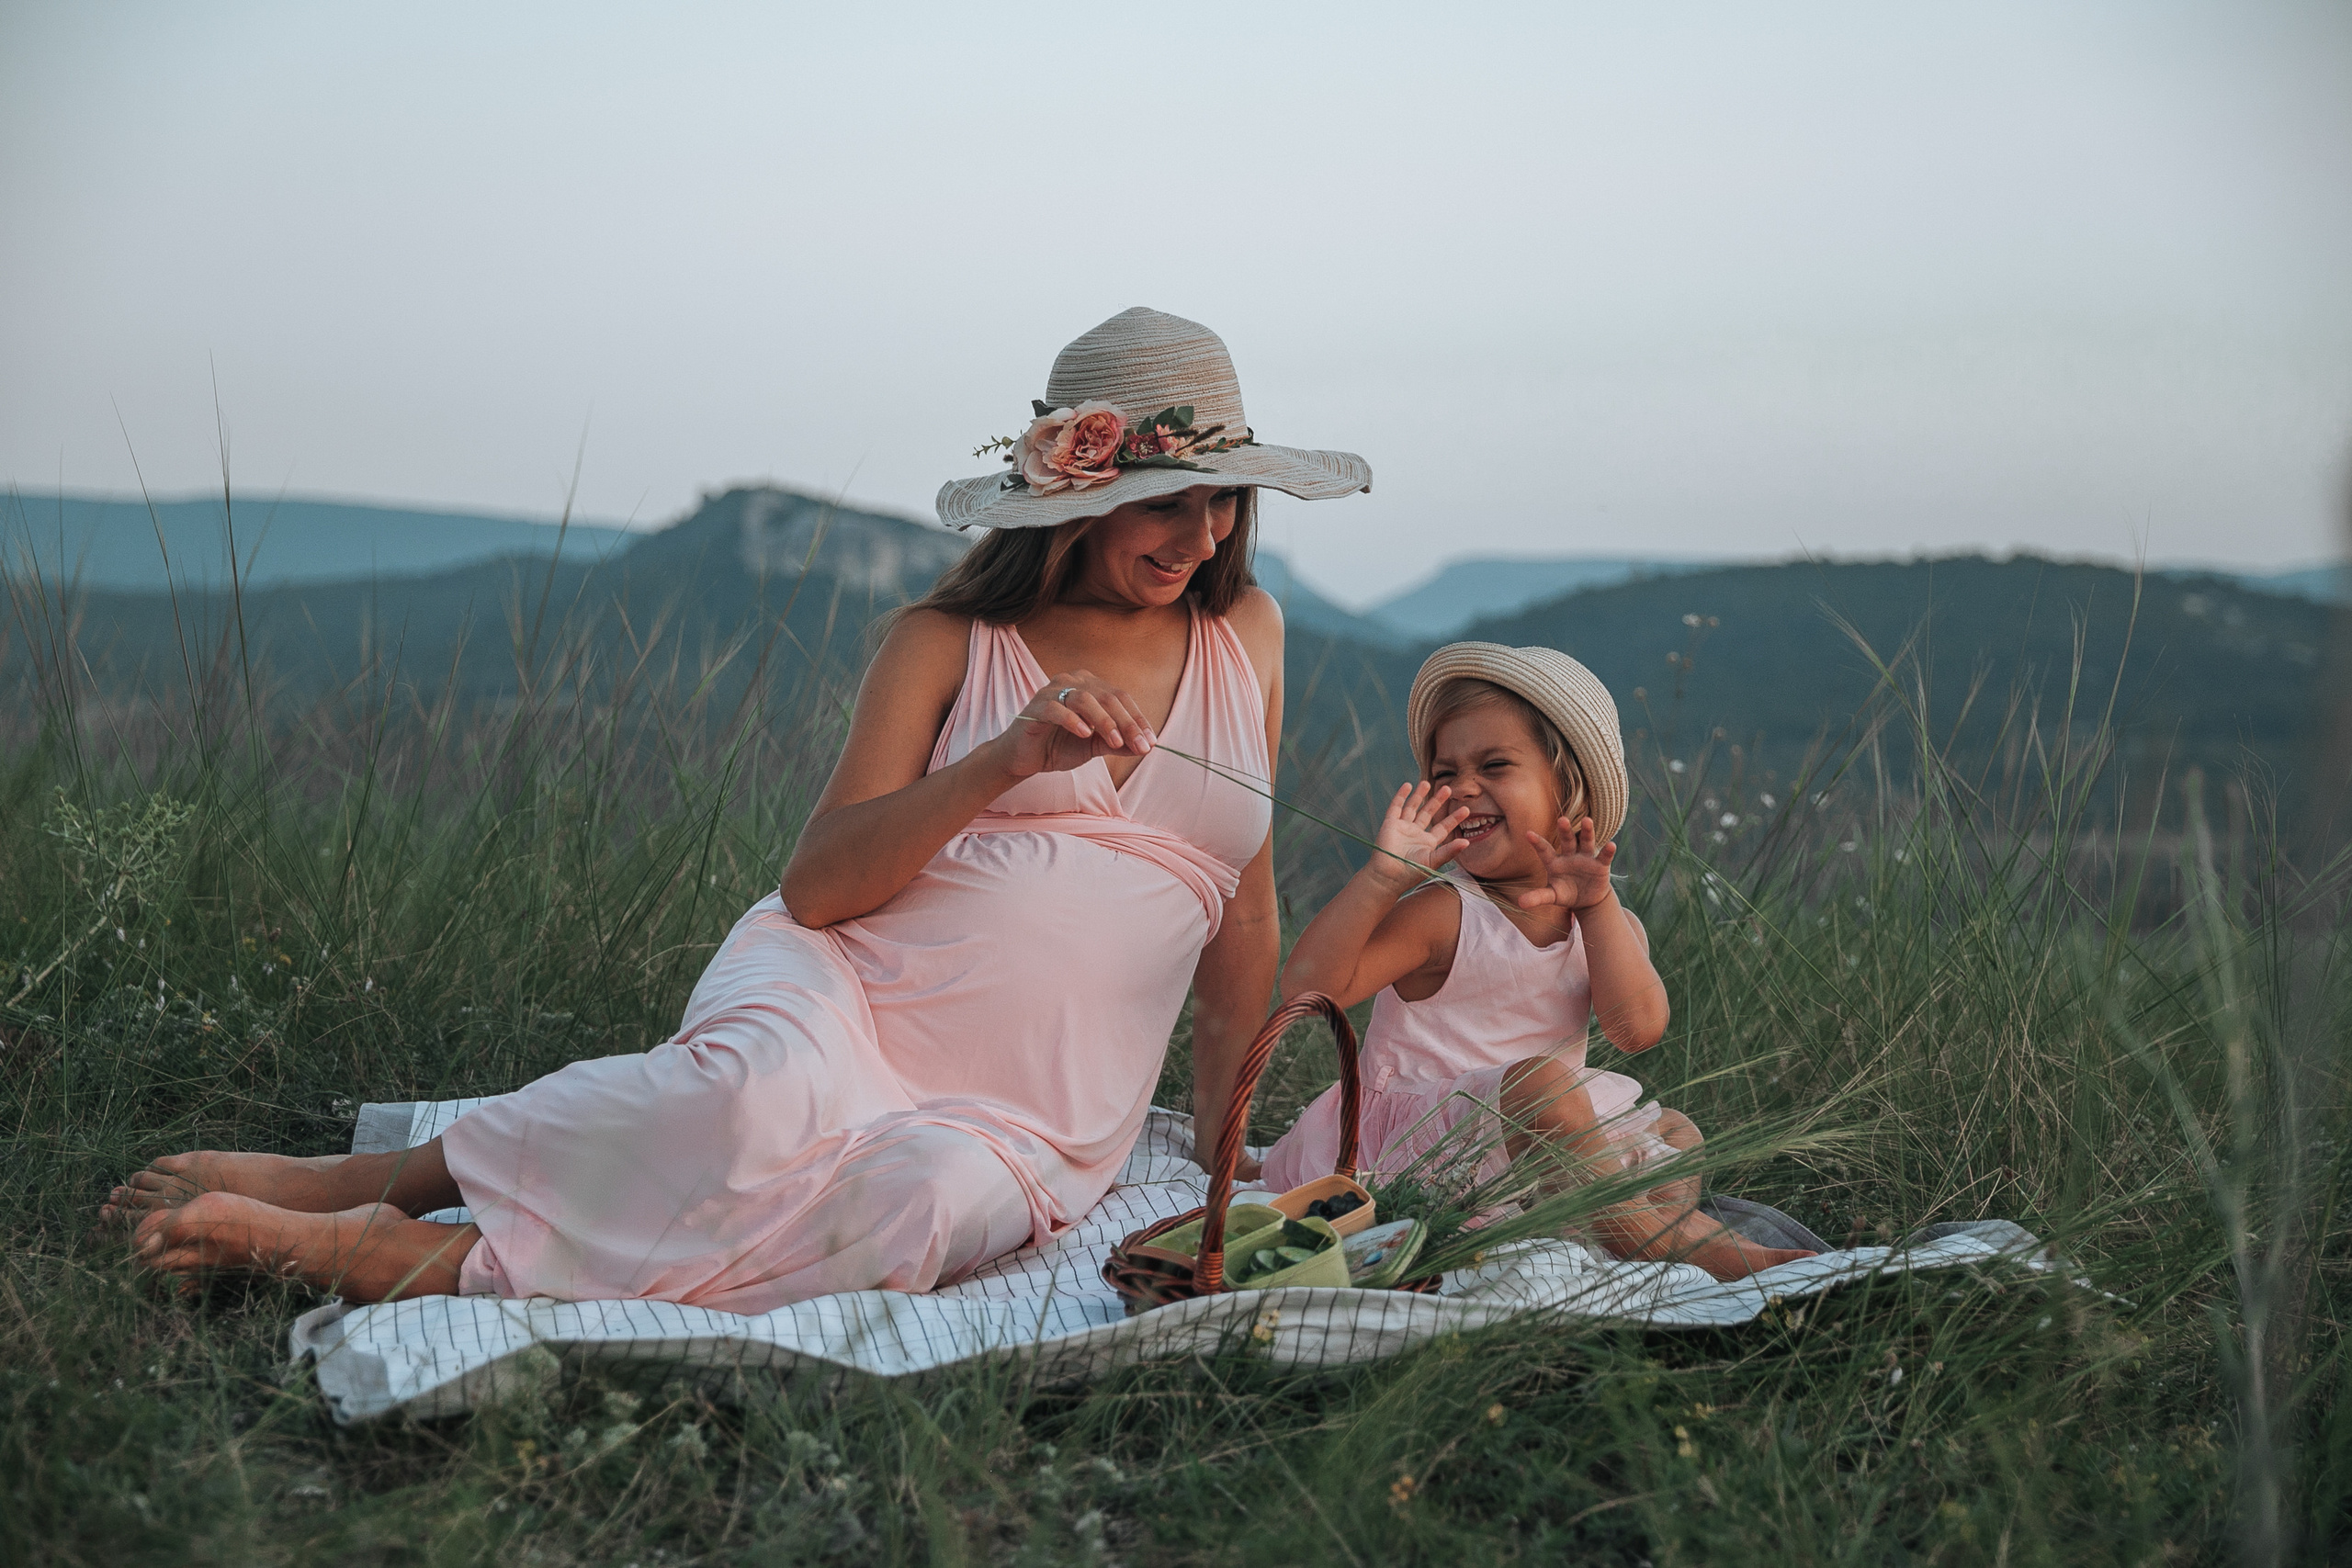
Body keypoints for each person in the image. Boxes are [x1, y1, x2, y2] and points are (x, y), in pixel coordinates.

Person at [101, 307, 1373, 1312]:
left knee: (913, 1207)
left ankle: (432, 1248)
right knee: (750, 1102)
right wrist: (1003, 758)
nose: (1202, 532)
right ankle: (384, 1204)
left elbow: (1239, 906)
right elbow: (820, 882)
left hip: (1030, 1109)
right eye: (1169, 498)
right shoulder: (948, 642)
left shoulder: (1242, 630)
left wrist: (1223, 1149)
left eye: (1224, 498)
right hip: (853, 989)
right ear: (1078, 492)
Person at [1260, 642, 1814, 1280]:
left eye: (1494, 764)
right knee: (1544, 1087)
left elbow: (1638, 1030)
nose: (1463, 786)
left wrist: (1599, 907)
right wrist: (1383, 878)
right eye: (1444, 773)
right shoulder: (1444, 913)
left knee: (1676, 1131)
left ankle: (1616, 1218)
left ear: (1567, 791)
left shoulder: (1604, 922)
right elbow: (1307, 988)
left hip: (1526, 1141)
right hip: (1420, 1145)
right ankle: (1667, 1243)